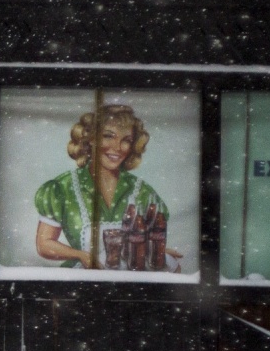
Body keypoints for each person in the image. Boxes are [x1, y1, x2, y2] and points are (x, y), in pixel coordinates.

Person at [32, 102, 183, 271]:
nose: (117, 148)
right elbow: (44, 244)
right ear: (90, 140)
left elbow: (149, 237)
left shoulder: (142, 191)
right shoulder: (62, 189)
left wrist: (156, 251)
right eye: (108, 136)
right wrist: (81, 255)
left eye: (126, 140)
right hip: (84, 277)